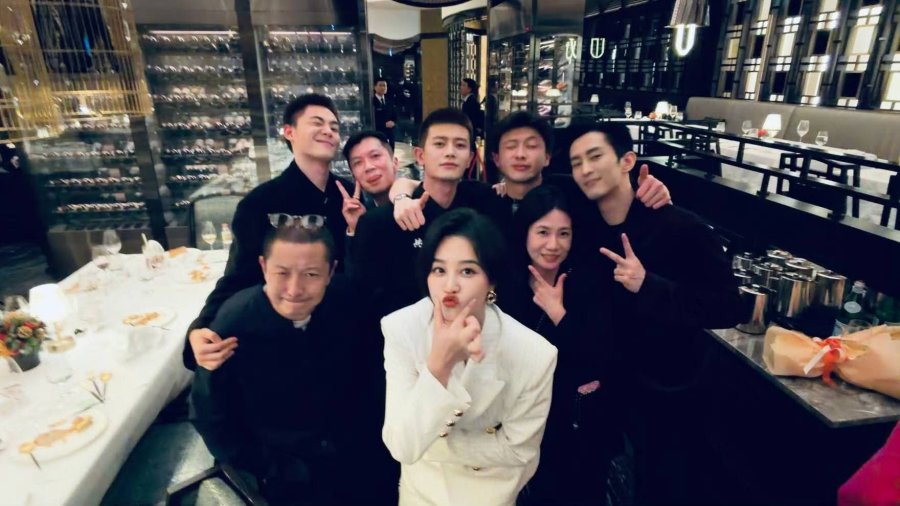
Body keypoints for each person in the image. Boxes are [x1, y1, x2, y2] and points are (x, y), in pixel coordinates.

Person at [568, 122, 743, 504]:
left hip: (667, 394)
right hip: (606, 387)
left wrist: (649, 285)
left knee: (660, 488)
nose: (585, 169)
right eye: (576, 162)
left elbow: (728, 306)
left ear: (627, 161)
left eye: (595, 157)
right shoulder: (582, 224)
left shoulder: (680, 227)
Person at [381, 208, 558, 506]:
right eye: (439, 270)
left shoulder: (534, 353)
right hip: (422, 492)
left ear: (492, 282)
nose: (450, 286)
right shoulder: (403, 328)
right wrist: (439, 365)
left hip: (491, 493)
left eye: (467, 271)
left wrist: (435, 445)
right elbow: (403, 446)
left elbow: (519, 450)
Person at [190, 224, 367, 505]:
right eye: (282, 273)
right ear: (263, 267)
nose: (295, 290)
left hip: (350, 460)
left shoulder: (347, 303)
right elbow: (211, 417)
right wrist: (269, 468)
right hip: (278, 474)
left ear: (331, 272)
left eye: (311, 274)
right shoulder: (233, 323)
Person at [184, 93, 352, 372]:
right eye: (317, 123)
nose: (328, 131)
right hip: (282, 339)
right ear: (289, 132)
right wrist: (201, 327)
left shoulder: (349, 194)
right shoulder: (260, 203)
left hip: (345, 332)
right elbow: (238, 276)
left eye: (334, 127)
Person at [502, 186, 619, 506]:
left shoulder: (588, 281)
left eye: (563, 234)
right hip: (519, 422)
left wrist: (559, 314)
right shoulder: (506, 284)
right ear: (525, 232)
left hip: (573, 427)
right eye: (542, 232)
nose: (553, 245)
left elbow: (600, 359)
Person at [352, 108, 509, 319]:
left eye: (460, 145)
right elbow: (367, 300)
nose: (450, 152)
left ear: (470, 158)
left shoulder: (485, 205)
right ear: (420, 156)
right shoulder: (378, 224)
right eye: (440, 144)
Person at [374, 78, 398, 150]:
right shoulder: (372, 101)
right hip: (377, 132)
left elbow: (394, 115)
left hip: (390, 132)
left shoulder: (389, 101)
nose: (383, 88)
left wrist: (393, 122)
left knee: (390, 150)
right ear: (375, 87)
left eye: (384, 85)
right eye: (380, 85)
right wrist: (383, 124)